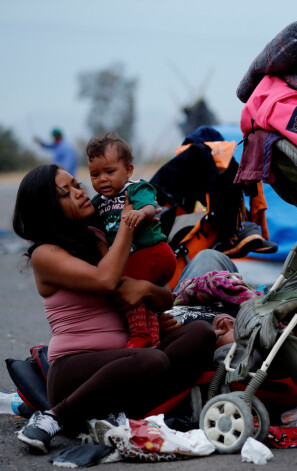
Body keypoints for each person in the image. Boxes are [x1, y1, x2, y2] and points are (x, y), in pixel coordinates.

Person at [12, 164, 216, 453]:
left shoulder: (97, 238)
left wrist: (145, 290)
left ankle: (117, 416)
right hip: (75, 370)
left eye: (76, 184)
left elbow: (164, 299)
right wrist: (127, 223)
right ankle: (55, 417)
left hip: (130, 359)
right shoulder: (46, 254)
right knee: (152, 361)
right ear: (47, 207)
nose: (80, 192)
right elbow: (106, 279)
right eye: (65, 192)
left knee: (200, 334)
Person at [87, 133, 176, 348]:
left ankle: (139, 333)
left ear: (128, 170)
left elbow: (149, 207)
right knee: (141, 297)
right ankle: (153, 338)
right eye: (95, 174)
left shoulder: (135, 188)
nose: (102, 179)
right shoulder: (98, 203)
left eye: (110, 171)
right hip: (138, 258)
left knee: (122, 282)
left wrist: (141, 214)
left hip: (153, 251)